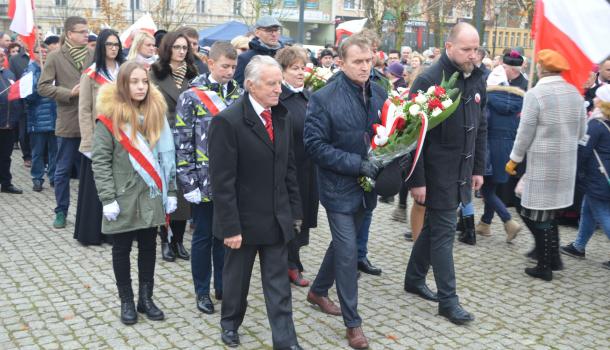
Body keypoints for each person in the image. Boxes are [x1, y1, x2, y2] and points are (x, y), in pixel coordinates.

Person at [209, 55, 303, 349]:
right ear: (250, 85)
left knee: (278, 286)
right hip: (242, 222)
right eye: (272, 83)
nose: (279, 89)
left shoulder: (281, 116)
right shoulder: (228, 122)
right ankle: (230, 324)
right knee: (236, 282)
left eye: (279, 82)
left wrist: (295, 212)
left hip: (275, 219)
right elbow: (222, 182)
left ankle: (285, 341)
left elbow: (289, 168)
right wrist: (230, 228)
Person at [303, 34, 387, 349]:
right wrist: (356, 163)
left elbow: (386, 133)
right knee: (349, 251)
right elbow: (314, 146)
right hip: (338, 186)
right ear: (341, 62)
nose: (365, 67)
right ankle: (354, 324)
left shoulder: (380, 91)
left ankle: (317, 291)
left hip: (368, 185)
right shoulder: (324, 97)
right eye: (358, 62)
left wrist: (388, 157)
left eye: (369, 61)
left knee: (343, 244)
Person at [404, 23, 487, 325]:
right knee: (443, 234)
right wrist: (417, 180)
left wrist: (478, 167)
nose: (472, 55)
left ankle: (414, 278)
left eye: (476, 49)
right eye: (466, 49)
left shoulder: (477, 78)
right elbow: (411, 134)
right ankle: (448, 301)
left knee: (436, 229)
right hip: (436, 173)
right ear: (449, 47)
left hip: (462, 171)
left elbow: (481, 127)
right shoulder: (428, 78)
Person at [92, 61, 177, 325]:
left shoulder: (156, 114)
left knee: (149, 248)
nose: (141, 86)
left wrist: (171, 190)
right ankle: (126, 301)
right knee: (122, 249)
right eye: (134, 82)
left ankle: (146, 299)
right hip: (123, 196)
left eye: (145, 81)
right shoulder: (109, 118)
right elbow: (100, 161)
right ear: (123, 85)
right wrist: (107, 198)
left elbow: (166, 159)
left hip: (152, 195)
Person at [174, 41, 243, 315]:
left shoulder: (239, 94)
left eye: (234, 67)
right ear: (210, 63)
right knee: (203, 235)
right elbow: (182, 140)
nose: (229, 71)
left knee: (225, 234)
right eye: (225, 66)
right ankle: (202, 290)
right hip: (202, 178)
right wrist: (187, 180)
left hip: (232, 180)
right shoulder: (191, 95)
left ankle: (223, 286)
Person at [506, 49, 586, 281]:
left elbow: (525, 132)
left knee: (530, 210)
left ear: (540, 68)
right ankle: (553, 257)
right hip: (566, 164)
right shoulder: (575, 94)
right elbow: (582, 132)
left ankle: (544, 264)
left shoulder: (536, 94)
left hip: (542, 163)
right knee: (547, 212)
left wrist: (514, 158)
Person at [38, 16, 93, 229]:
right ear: (70, 33)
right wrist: (68, 92)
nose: (85, 34)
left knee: (92, 171)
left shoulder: (92, 54)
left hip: (90, 121)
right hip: (68, 121)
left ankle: (90, 214)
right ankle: (61, 211)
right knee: (62, 170)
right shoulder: (55, 57)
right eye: (81, 31)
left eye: (86, 31)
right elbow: (42, 87)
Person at [151, 30, 199, 262]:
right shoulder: (155, 73)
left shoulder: (194, 74)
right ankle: (164, 240)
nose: (181, 52)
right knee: (166, 188)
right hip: (163, 137)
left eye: (184, 48)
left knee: (183, 191)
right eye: (177, 47)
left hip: (188, 139)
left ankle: (178, 240)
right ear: (167, 48)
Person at [74, 29, 125, 246]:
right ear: (102, 46)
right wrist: (89, 141)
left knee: (119, 184)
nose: (113, 48)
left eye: (116, 44)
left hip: (123, 136)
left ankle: (116, 232)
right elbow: (84, 109)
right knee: (96, 187)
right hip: (99, 137)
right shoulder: (91, 73)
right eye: (109, 44)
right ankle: (93, 233)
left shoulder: (125, 71)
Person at [276, 46, 319, 288]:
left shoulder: (309, 97)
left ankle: (294, 260)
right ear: (282, 72)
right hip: (287, 172)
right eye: (295, 68)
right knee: (290, 217)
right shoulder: (279, 99)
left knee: (304, 217)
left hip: (308, 170)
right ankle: (290, 265)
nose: (301, 73)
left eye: (303, 68)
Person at [560, 84, 610, 268]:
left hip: (598, 177)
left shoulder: (596, 124)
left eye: (598, 97)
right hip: (604, 177)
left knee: (603, 214)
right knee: (588, 211)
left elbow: (583, 151)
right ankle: (578, 246)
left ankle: (578, 246)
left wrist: (574, 170)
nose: (594, 99)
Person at [474, 62, 525, 242]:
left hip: (489, 147)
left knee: (486, 190)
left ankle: (509, 221)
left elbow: (483, 125)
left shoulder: (488, 99)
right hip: (508, 148)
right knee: (491, 187)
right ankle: (485, 224)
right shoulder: (519, 100)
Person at [24, 44, 57, 192]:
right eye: (40, 52)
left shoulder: (53, 69)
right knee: (37, 152)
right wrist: (41, 83)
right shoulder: (29, 71)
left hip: (54, 116)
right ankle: (37, 178)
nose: (43, 54)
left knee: (55, 151)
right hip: (37, 118)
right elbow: (28, 97)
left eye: (46, 52)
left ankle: (54, 177)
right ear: (33, 53)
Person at [234, 16, 284, 86]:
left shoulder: (284, 56)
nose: (274, 34)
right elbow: (238, 88)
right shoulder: (245, 58)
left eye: (276, 30)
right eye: (269, 30)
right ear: (257, 33)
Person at [0, 49, 24, 194]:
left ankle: (6, 183)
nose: (2, 57)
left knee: (5, 156)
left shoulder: (9, 74)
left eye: (3, 55)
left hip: (8, 124)